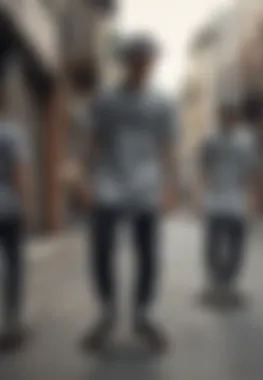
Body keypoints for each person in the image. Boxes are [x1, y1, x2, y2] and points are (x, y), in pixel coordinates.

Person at [80, 33, 177, 351]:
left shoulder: (162, 102)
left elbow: (167, 147)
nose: (142, 66)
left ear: (152, 63)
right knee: (101, 247)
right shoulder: (105, 99)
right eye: (136, 60)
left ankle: (143, 313)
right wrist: (86, 181)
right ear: (126, 62)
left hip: (147, 184)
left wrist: (169, 188)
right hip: (109, 182)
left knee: (148, 252)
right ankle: (107, 310)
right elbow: (93, 143)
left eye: (146, 60)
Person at [196, 102, 260, 298]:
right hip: (215, 202)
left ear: (236, 118)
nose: (227, 119)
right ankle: (216, 282)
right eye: (224, 115)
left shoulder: (246, 140)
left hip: (237, 202)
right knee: (213, 245)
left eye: (231, 116)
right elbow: (204, 170)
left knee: (236, 245)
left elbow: (251, 172)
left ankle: (229, 282)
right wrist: (200, 197)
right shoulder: (210, 140)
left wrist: (252, 200)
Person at [0, 78, 32, 351]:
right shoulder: (11, 133)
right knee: (13, 266)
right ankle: (12, 323)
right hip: (7, 209)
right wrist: (25, 206)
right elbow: (19, 174)